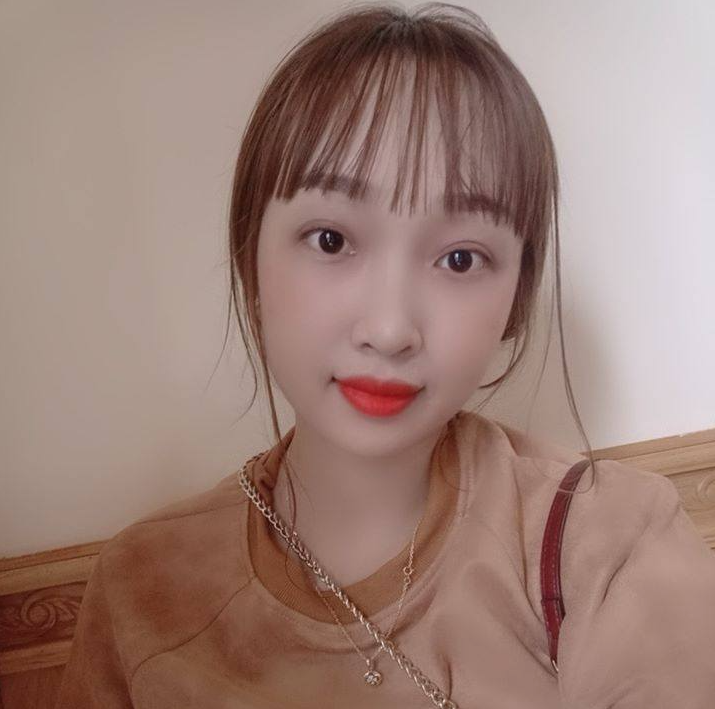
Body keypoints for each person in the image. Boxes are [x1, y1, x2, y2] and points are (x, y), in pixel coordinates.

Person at [54, 3, 715, 708]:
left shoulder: (608, 543)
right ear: (251, 261)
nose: (390, 328)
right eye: (332, 240)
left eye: (460, 258)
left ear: (516, 302)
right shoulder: (141, 593)